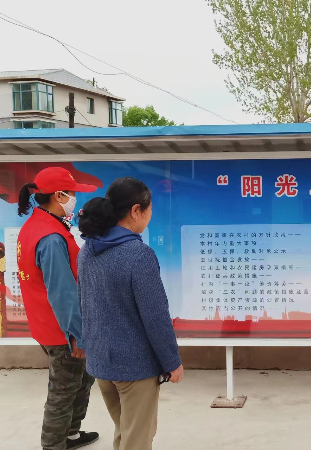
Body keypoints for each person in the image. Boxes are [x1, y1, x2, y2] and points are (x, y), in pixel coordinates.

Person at [77, 177, 183, 450]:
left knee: (125, 431)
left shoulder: (88, 249)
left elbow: (84, 303)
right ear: (136, 210)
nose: (150, 215)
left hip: (102, 363)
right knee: (137, 439)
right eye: (149, 209)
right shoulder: (138, 255)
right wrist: (172, 362)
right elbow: (156, 316)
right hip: (134, 368)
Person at [16, 167, 99, 450]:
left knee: (81, 380)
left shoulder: (37, 225)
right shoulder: (50, 237)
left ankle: (71, 434)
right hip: (62, 330)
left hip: (47, 324)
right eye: (72, 193)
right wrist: (76, 335)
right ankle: (53, 444)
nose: (75, 199)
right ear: (59, 196)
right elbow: (62, 293)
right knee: (63, 390)